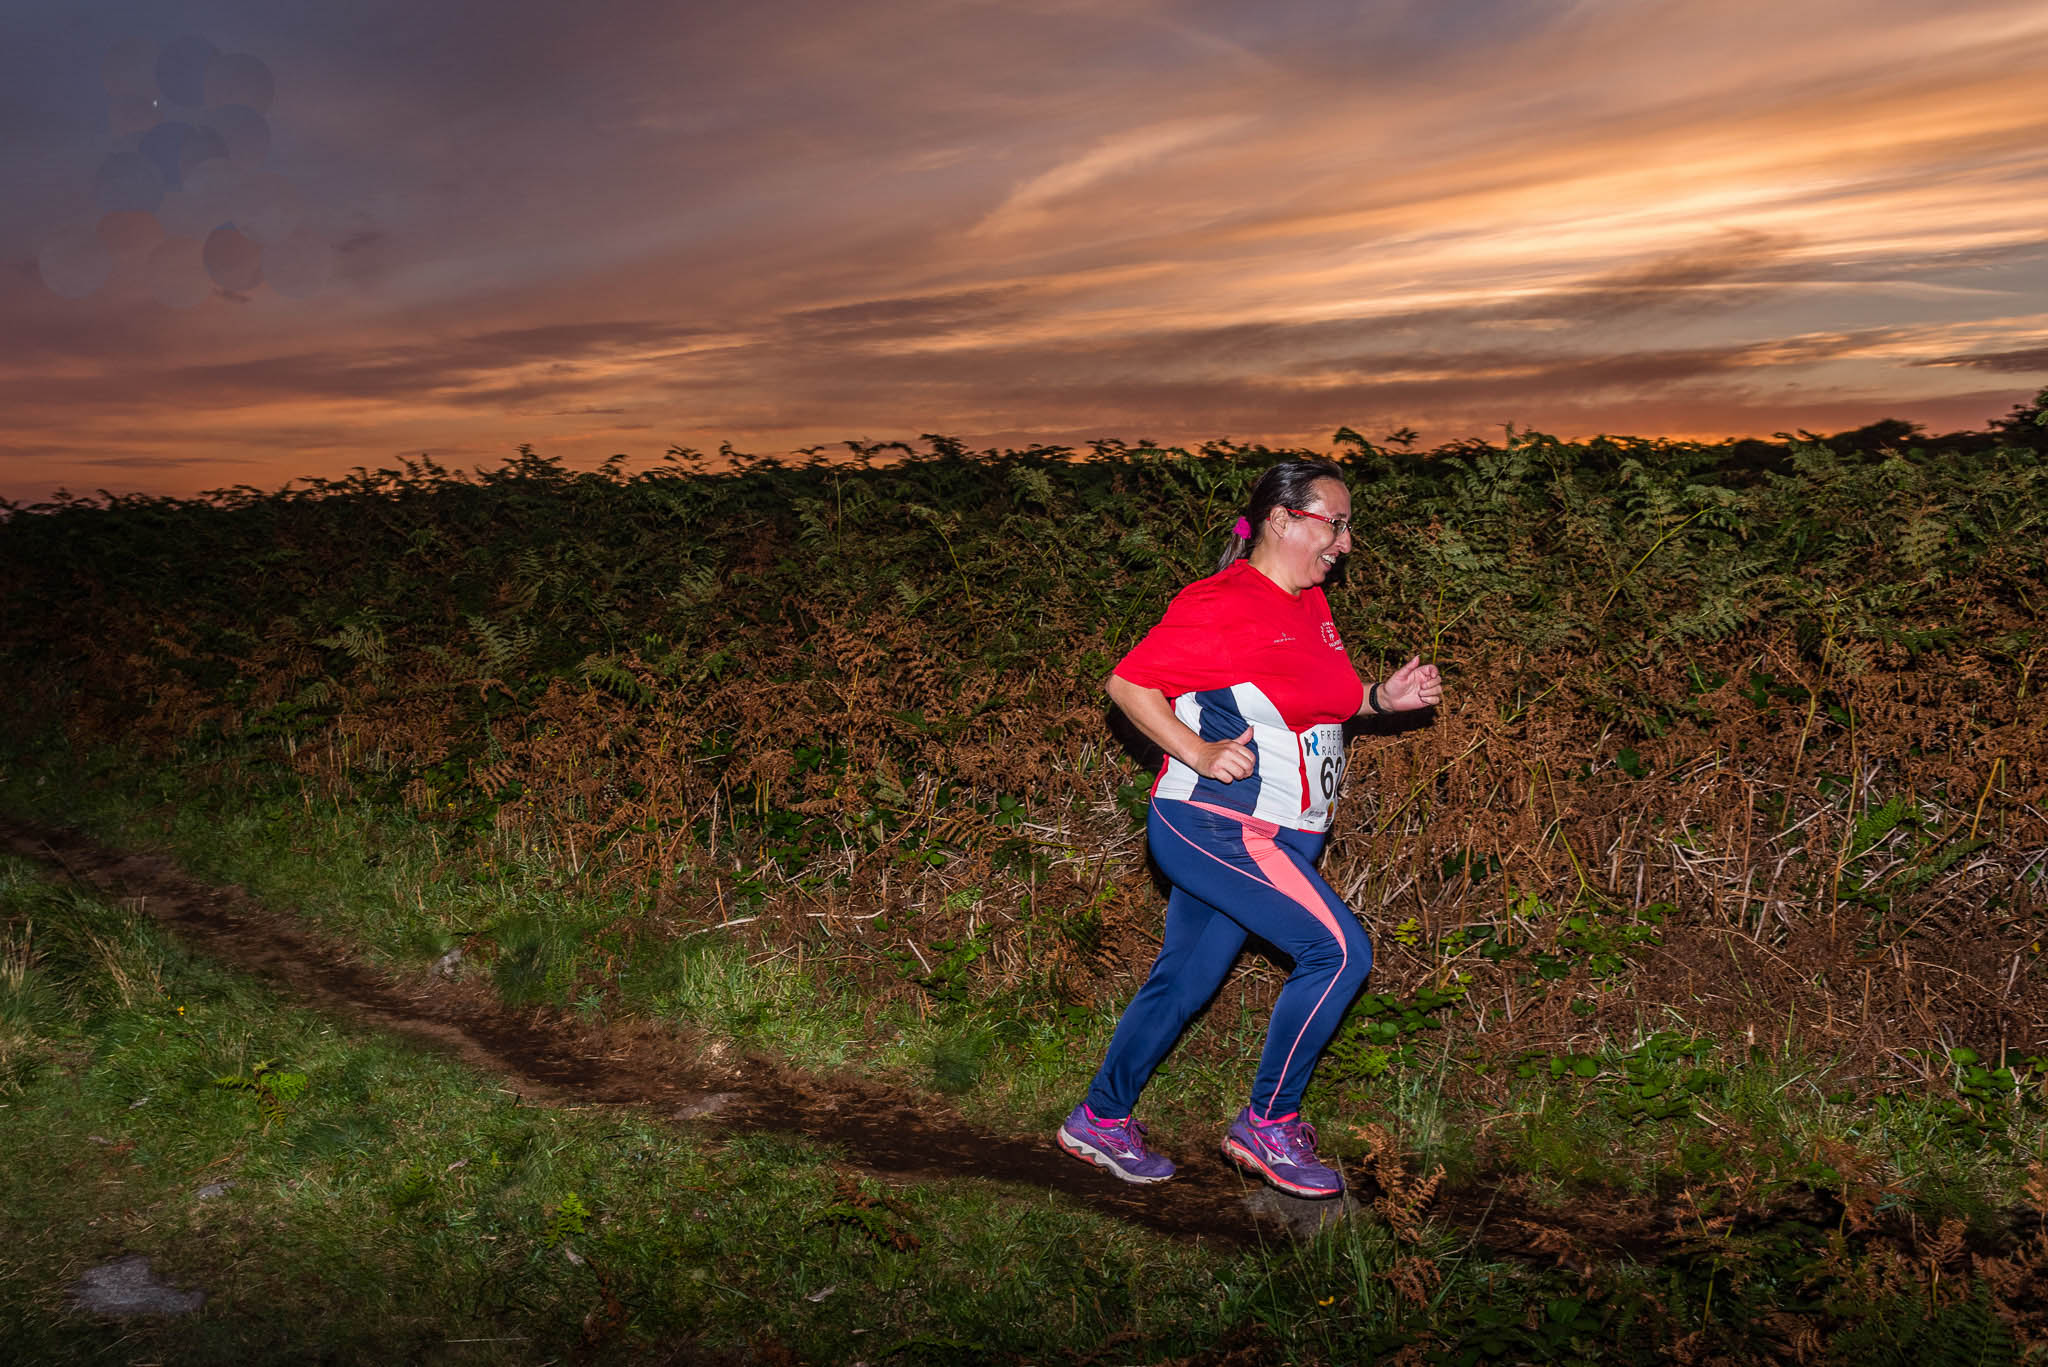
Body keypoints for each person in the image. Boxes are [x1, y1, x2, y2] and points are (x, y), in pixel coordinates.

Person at [1056, 459, 1443, 1199]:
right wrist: (1197, 750)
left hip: (1286, 829)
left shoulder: (1310, 606)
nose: (1346, 541)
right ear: (1281, 519)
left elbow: (1321, 702)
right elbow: (1128, 682)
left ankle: (1099, 1119)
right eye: (1334, 522)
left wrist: (1380, 698)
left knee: (1185, 978)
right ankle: (1268, 1121)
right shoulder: (1222, 601)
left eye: (1347, 525)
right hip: (1217, 823)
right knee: (1336, 953)